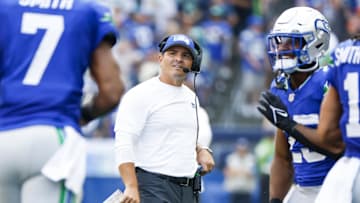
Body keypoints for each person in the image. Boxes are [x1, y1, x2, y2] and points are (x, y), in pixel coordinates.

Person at [0, 1, 124, 203]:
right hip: (54, 138)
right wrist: (84, 115)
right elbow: (112, 92)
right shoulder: (89, 11)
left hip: (3, 137)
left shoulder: (4, 8)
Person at [256, 7, 344, 203]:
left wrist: (289, 125)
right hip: (303, 189)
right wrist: (276, 199)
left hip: (336, 185)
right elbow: (282, 157)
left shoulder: (329, 81)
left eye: (290, 42)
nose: (281, 49)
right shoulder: (280, 87)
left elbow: (339, 148)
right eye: (280, 42)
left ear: (316, 42)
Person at [114, 34, 215, 203]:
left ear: (193, 63)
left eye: (186, 55)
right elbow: (124, 141)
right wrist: (131, 186)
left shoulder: (191, 98)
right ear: (160, 58)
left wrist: (201, 149)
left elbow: (179, 134)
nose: (179, 59)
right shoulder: (140, 94)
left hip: (188, 190)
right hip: (154, 187)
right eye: (172, 53)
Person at [223, 138, 257, 203]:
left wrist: (237, 171)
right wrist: (242, 171)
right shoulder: (231, 158)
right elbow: (227, 172)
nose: (241, 149)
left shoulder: (251, 158)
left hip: (246, 190)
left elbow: (251, 173)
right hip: (234, 189)